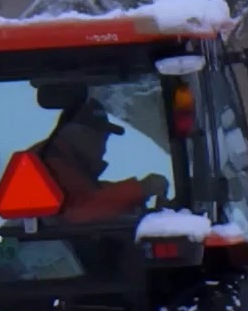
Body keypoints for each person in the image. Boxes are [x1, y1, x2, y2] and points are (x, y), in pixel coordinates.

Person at [36, 93, 169, 223]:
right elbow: (78, 213)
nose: (104, 149)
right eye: (101, 139)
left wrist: (136, 194)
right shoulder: (45, 168)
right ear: (82, 134)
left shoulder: (64, 162)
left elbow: (89, 194)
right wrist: (140, 189)